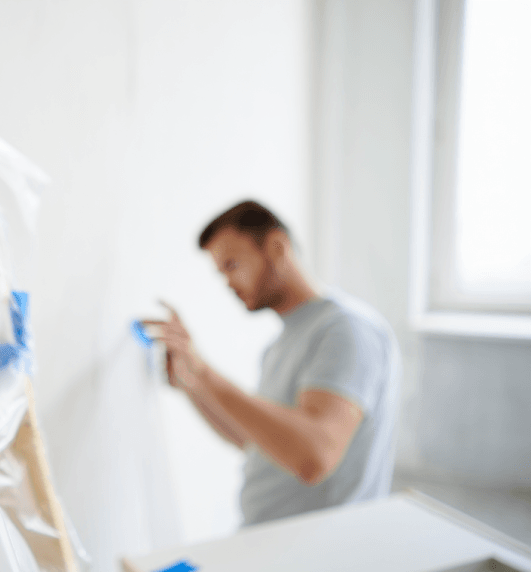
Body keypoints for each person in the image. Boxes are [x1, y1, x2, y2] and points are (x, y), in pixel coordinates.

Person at [143, 200, 399, 525]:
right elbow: (255, 440)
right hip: (270, 538)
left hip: (321, 546)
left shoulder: (346, 329)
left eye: (232, 265)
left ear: (277, 247)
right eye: (221, 272)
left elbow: (314, 457)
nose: (228, 283)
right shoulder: (278, 346)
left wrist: (204, 372)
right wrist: (191, 384)